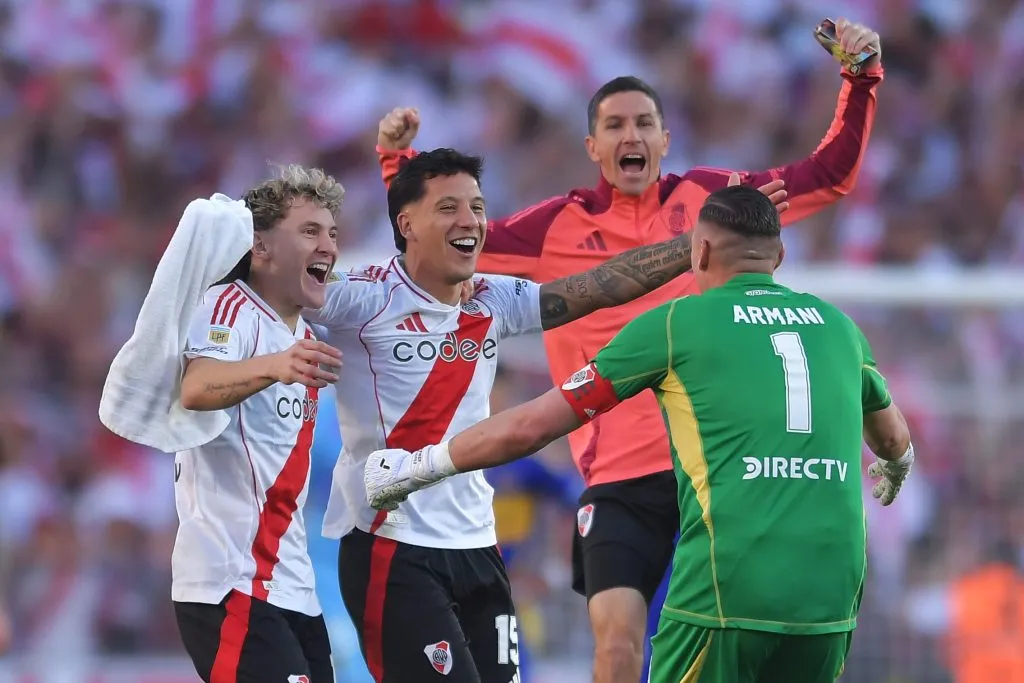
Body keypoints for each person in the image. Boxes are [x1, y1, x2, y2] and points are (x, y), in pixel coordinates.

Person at [374, 17, 884, 682]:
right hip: (617, 481)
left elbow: (828, 176)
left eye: (644, 122)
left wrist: (861, 77)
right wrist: (397, 166)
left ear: (666, 139)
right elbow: (441, 243)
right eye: (614, 125)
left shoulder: (716, 201)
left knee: (716, 649)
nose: (631, 134)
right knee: (616, 646)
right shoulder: (552, 227)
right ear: (592, 144)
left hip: (716, 473)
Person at [301, 147, 780, 683]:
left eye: (478, 207)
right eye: (449, 208)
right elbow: (270, 293)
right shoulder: (361, 297)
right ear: (406, 222)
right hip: (392, 546)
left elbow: (599, 286)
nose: (470, 221)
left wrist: (692, 246)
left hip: (478, 546)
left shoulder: (492, 298)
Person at [171, 165, 344, 683]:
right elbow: (195, 388)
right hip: (228, 582)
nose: (328, 246)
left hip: (292, 585)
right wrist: (274, 366)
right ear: (261, 249)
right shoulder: (230, 307)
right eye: (309, 231)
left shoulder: (305, 331)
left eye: (332, 233)